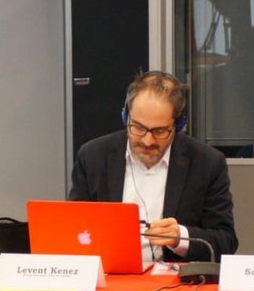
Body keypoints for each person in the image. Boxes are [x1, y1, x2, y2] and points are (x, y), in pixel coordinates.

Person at [69, 71, 237, 266]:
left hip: (174, 281)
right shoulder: (93, 157)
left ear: (179, 125)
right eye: (138, 128)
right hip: (110, 276)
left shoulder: (206, 163)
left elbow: (226, 242)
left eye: (160, 131)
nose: (147, 141)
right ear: (125, 117)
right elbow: (74, 230)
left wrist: (180, 237)